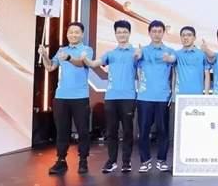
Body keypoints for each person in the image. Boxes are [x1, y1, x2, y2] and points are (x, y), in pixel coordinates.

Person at [38, 22, 93, 175]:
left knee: (83, 131)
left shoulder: (87, 50)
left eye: (76, 32)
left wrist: (68, 58)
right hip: (61, 97)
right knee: (62, 130)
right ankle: (61, 161)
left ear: (82, 34)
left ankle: (83, 160)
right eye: (70, 32)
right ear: (67, 34)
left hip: (80, 97)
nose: (73, 35)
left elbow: (81, 63)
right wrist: (44, 55)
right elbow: (50, 67)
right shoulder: (62, 50)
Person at [83, 20, 138, 173]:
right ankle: (112, 161)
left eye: (125, 32)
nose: (122, 34)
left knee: (127, 131)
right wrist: (85, 59)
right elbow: (94, 64)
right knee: (111, 131)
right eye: (119, 32)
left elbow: (142, 67)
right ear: (115, 34)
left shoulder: (135, 52)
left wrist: (139, 56)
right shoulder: (110, 54)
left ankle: (126, 162)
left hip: (128, 96)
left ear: (129, 33)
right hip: (111, 97)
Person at [136, 20, 176, 173]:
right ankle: (145, 161)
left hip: (162, 97)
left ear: (163, 33)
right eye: (154, 31)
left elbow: (173, 62)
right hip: (144, 97)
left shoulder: (170, 51)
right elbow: (135, 62)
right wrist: (136, 55)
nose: (157, 34)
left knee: (163, 130)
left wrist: (169, 59)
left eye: (159, 31)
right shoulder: (143, 51)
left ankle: (161, 160)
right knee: (143, 130)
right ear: (149, 33)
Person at [173, 26, 214, 96]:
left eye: (189, 35)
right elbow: (174, 75)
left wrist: (206, 94)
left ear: (194, 38)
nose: (185, 38)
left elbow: (207, 75)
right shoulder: (176, 54)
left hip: (197, 95)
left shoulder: (202, 54)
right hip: (180, 95)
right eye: (183, 35)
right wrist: (173, 94)